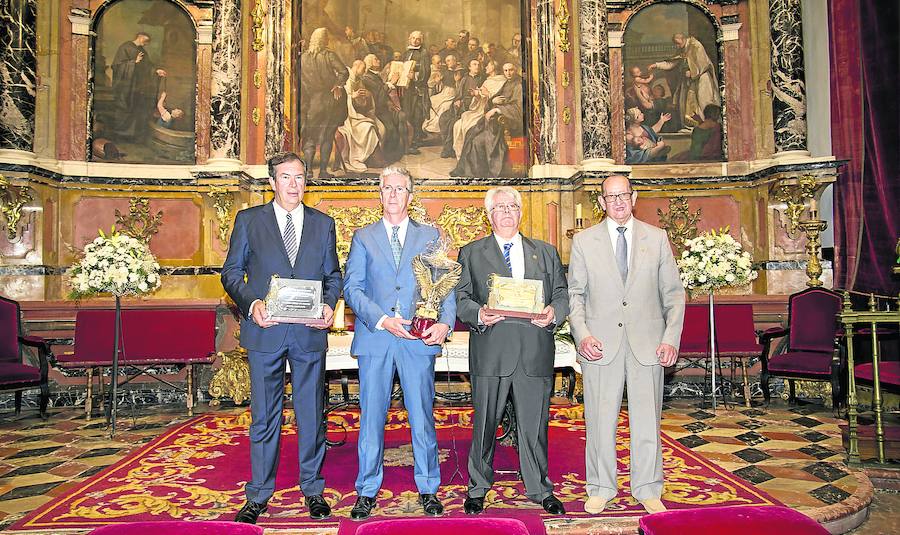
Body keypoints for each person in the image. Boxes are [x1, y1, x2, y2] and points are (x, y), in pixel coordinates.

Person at [221, 152, 343, 524]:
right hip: (265, 331)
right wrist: (252, 302)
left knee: (311, 414)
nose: (294, 184)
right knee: (264, 416)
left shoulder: (323, 224)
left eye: (300, 177)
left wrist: (327, 305)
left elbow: (333, 275)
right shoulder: (249, 220)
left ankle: (313, 489)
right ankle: (258, 494)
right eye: (286, 177)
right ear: (272, 183)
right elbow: (231, 273)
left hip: (307, 334)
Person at [343, 166, 456, 520]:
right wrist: (382, 319)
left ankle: (428, 486)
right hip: (377, 337)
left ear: (410, 195)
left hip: (417, 341)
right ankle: (366, 490)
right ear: (380, 195)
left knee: (421, 415)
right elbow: (352, 288)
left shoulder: (430, 236)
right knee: (371, 417)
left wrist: (445, 323)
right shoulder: (363, 237)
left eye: (399, 188)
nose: (393, 194)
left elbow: (445, 283)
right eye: (386, 188)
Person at [567, 175, 685, 516]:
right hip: (599, 345)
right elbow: (576, 295)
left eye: (623, 195)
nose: (618, 202)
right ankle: (601, 487)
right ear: (601, 202)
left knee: (647, 419)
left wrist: (670, 339)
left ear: (633, 198)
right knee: (599, 420)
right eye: (610, 196)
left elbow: (674, 296)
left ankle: (648, 487)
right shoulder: (584, 242)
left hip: (648, 344)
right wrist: (582, 334)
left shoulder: (657, 238)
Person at [455, 186, 569, 516]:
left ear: (521, 212)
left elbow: (562, 294)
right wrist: (478, 313)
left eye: (512, 206)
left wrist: (554, 312)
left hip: (534, 350)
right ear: (488, 214)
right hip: (492, 349)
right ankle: (477, 487)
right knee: (485, 424)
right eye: (499, 207)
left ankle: (540, 488)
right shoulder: (471, 252)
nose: (506, 211)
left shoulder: (545, 252)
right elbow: (461, 299)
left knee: (535, 426)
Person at [451, 62, 523, 177]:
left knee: (477, 142)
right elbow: (495, 99)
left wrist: (497, 110)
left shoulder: (519, 85)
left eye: (511, 70)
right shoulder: (507, 83)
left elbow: (518, 109)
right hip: (495, 120)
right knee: (471, 133)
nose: (508, 73)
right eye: (505, 70)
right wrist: (492, 101)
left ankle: (477, 173)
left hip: (507, 122)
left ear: (516, 70)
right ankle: (468, 171)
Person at [300, 27, 348, 178]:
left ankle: (308, 171)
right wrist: (338, 85)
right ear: (323, 40)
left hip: (312, 101)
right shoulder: (329, 55)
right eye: (327, 38)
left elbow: (301, 81)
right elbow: (344, 72)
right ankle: (322, 172)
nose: (328, 40)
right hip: (330, 100)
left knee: (310, 136)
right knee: (328, 135)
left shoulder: (303, 57)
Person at [649, 33, 720, 124]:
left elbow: (703, 62)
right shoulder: (682, 49)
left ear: (683, 39)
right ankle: (694, 125)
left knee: (703, 101)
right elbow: (671, 63)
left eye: (678, 43)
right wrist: (656, 65)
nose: (677, 46)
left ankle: (708, 124)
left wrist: (692, 73)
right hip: (690, 80)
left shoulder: (695, 45)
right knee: (685, 103)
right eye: (675, 43)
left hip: (702, 78)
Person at [110, 32, 167, 139]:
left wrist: (156, 71)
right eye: (145, 41)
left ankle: (132, 136)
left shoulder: (143, 51)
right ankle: (119, 135)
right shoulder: (125, 47)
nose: (145, 44)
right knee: (124, 108)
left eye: (147, 42)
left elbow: (148, 66)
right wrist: (133, 63)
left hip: (137, 87)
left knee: (137, 109)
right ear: (139, 37)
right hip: (126, 87)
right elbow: (116, 66)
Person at [400, 31, 431, 152]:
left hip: (418, 89)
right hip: (407, 88)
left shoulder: (424, 53)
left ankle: (416, 139)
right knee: (408, 112)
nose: (415, 41)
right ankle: (409, 139)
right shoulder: (406, 53)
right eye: (413, 38)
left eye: (418, 39)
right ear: (409, 39)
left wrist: (416, 77)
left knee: (417, 114)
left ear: (421, 41)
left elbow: (426, 71)